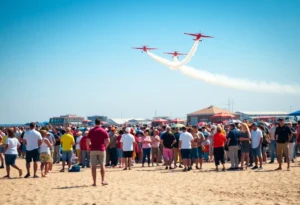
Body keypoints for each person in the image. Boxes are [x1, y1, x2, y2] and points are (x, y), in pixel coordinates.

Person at [86, 119, 110, 186]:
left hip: (93, 149)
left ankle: (94, 182)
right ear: (100, 123)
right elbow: (108, 140)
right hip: (101, 148)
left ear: (95, 123)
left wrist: (88, 148)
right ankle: (102, 180)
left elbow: (87, 140)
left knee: (93, 166)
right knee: (102, 165)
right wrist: (105, 146)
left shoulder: (91, 130)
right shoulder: (103, 130)